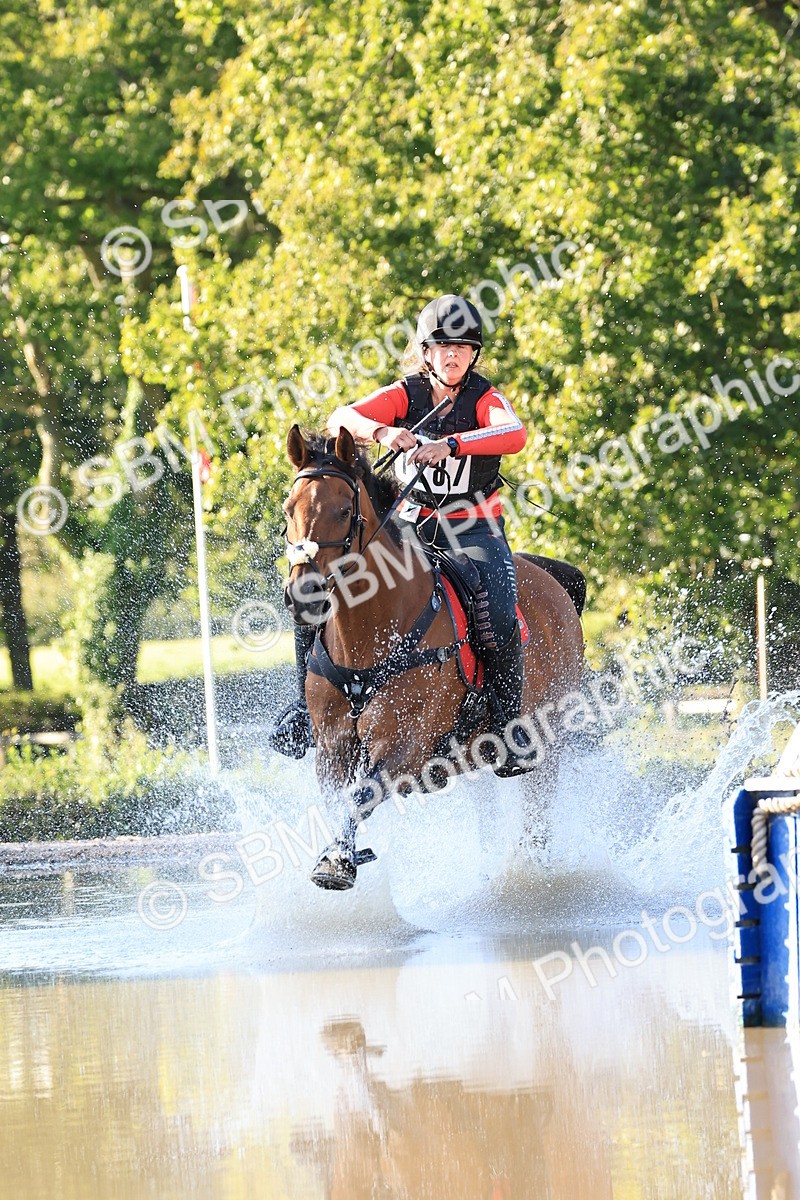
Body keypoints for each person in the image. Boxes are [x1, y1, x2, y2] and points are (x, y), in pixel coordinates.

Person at [269, 294, 535, 776]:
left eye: (463, 348)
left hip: (472, 527)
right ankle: (304, 712)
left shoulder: (485, 398)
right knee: (317, 590)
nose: (452, 356)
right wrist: (384, 433)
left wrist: (450, 443)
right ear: (426, 352)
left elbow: (514, 434)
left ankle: (508, 726)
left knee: (496, 606)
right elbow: (340, 419)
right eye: (442, 347)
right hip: (411, 524)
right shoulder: (407, 394)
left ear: (473, 355)